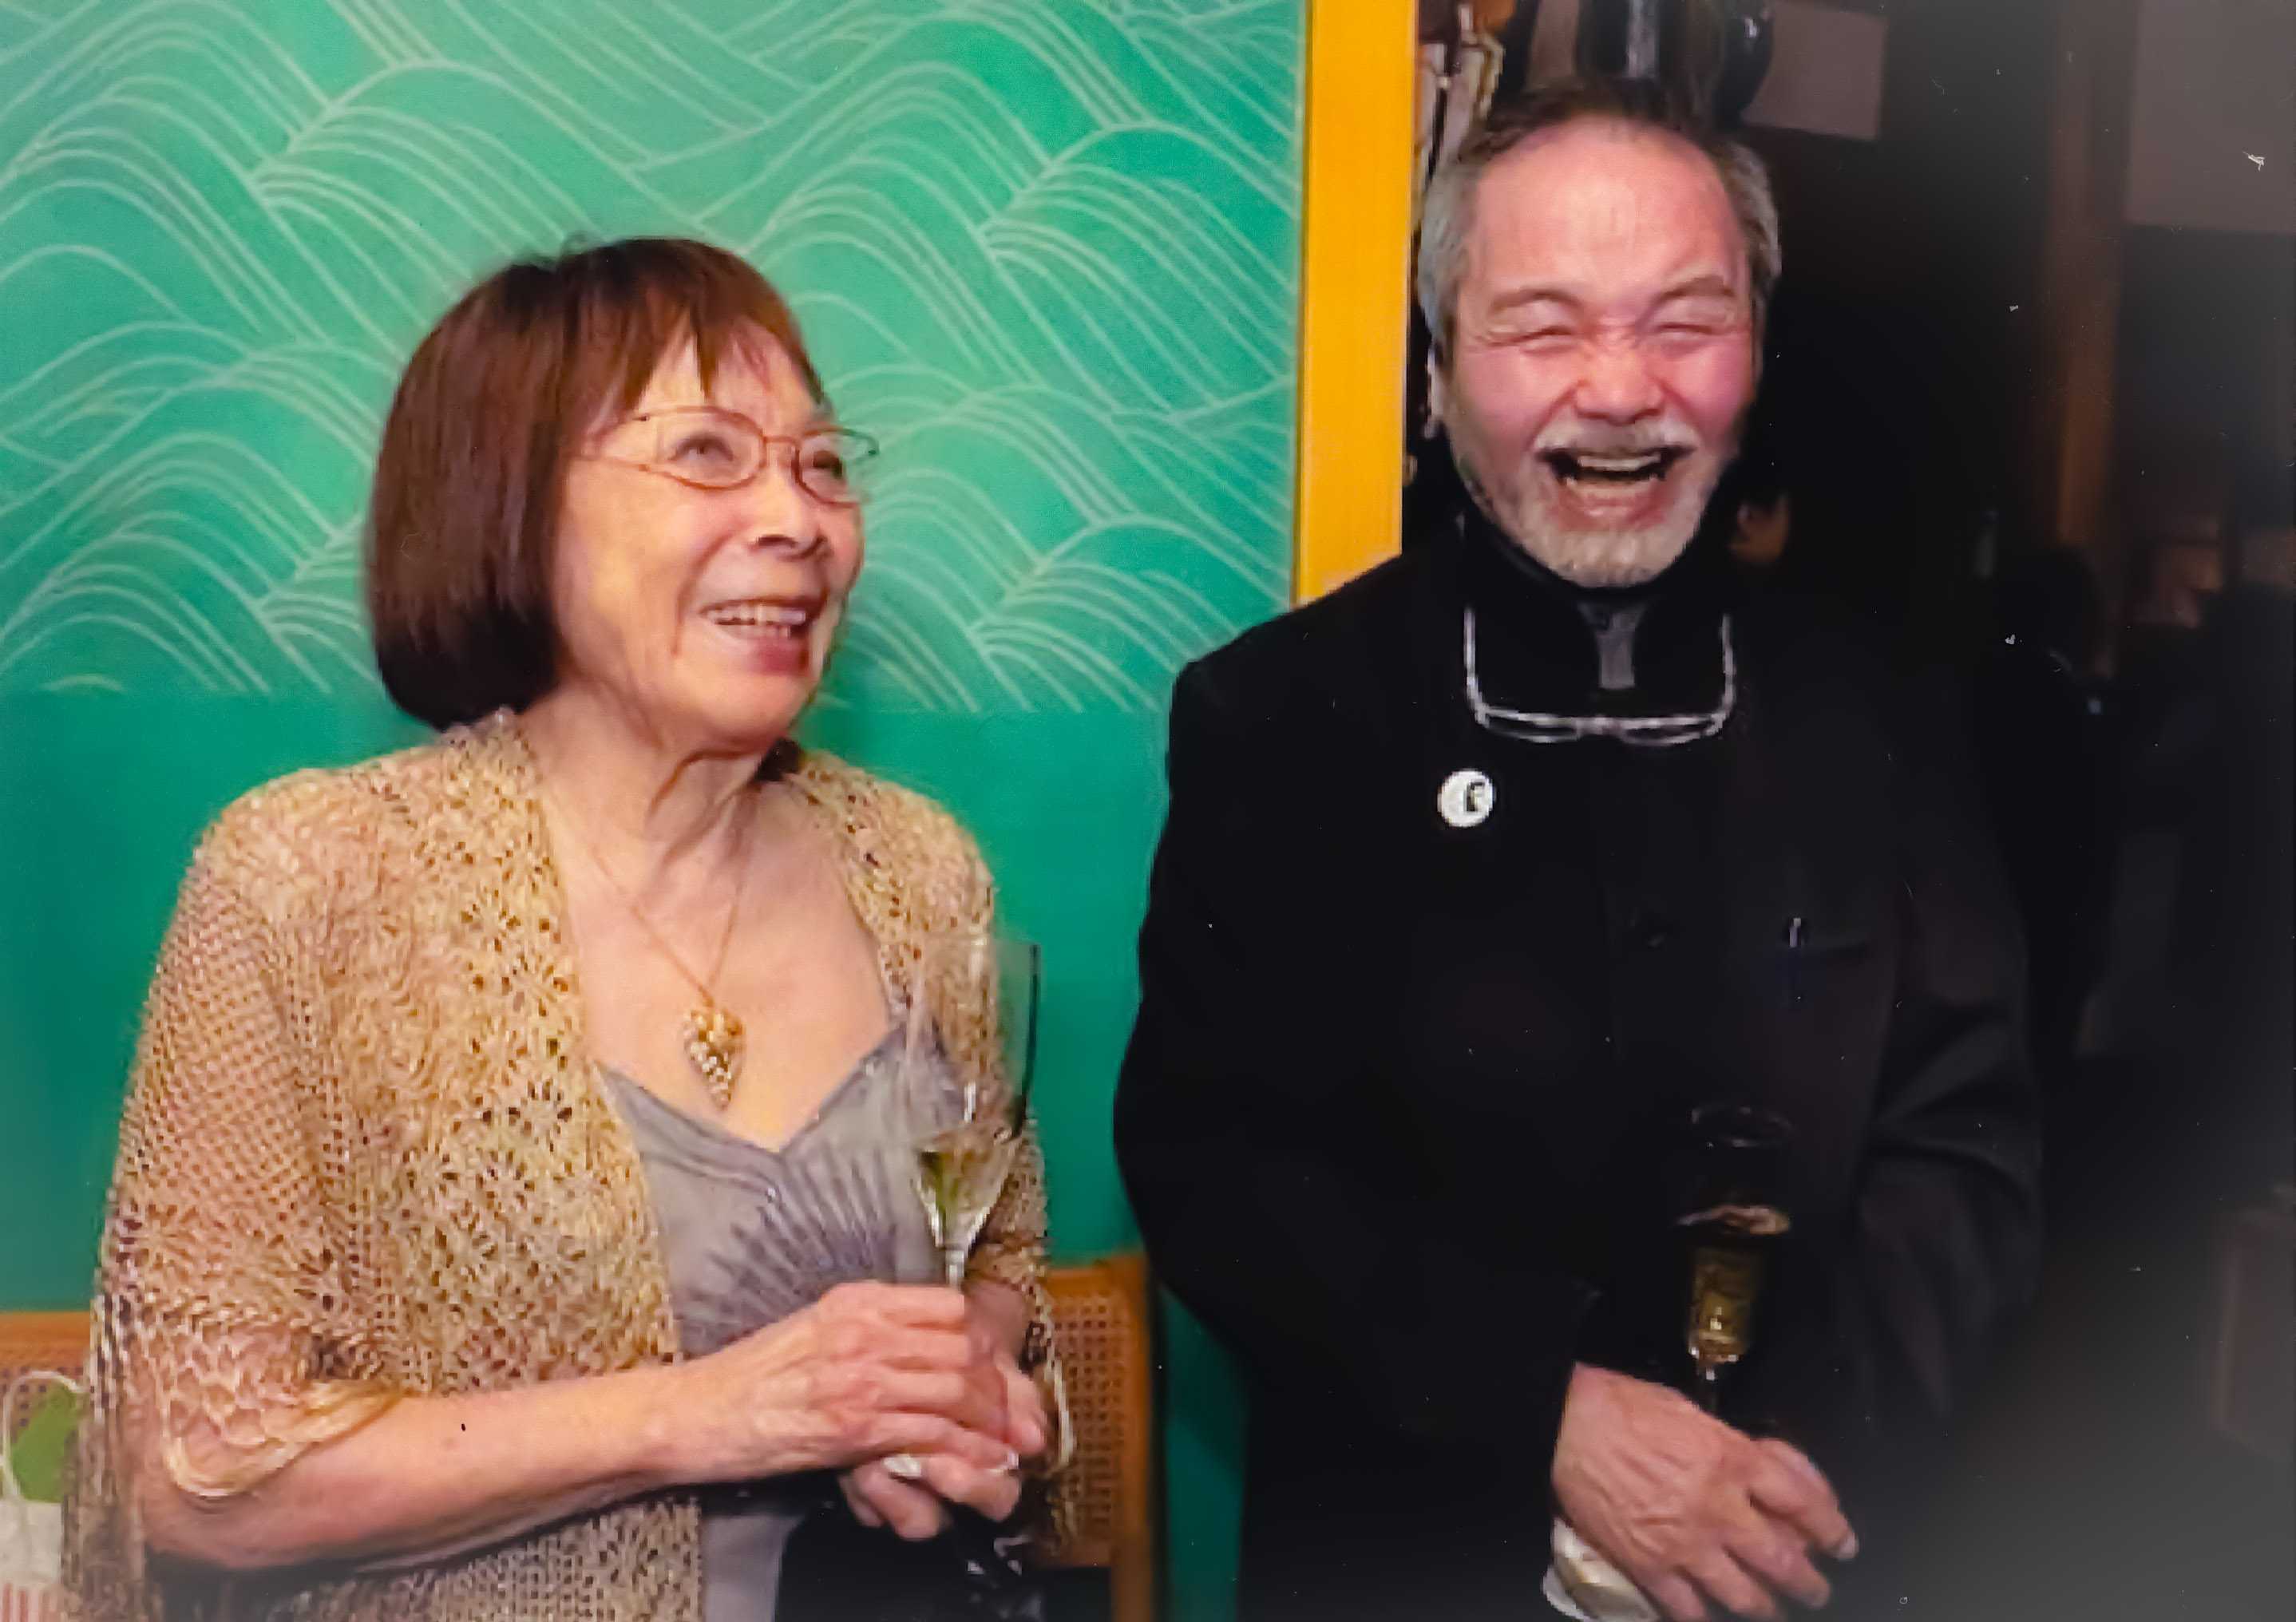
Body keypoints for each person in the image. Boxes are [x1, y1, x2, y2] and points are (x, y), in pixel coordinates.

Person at [1116, 80, 2039, 1622]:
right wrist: (1542, 1405)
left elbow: (1967, 1152)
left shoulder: (1891, 718)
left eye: (1685, 321)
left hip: (1802, 1558)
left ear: (1757, 353)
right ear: (1439, 371)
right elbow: (1220, 1164)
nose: (1620, 390)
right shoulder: (1282, 716)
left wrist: (1785, 1477)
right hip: (1405, 1561)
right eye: (1542, 328)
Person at [67, 238, 1056, 1622]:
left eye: (824, 464)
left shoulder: (920, 868)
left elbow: (994, 1265)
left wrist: (951, 1392)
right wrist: (718, 1414)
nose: (799, 518)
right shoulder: (308, 879)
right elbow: (194, 1470)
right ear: (515, 507)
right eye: (708, 455)